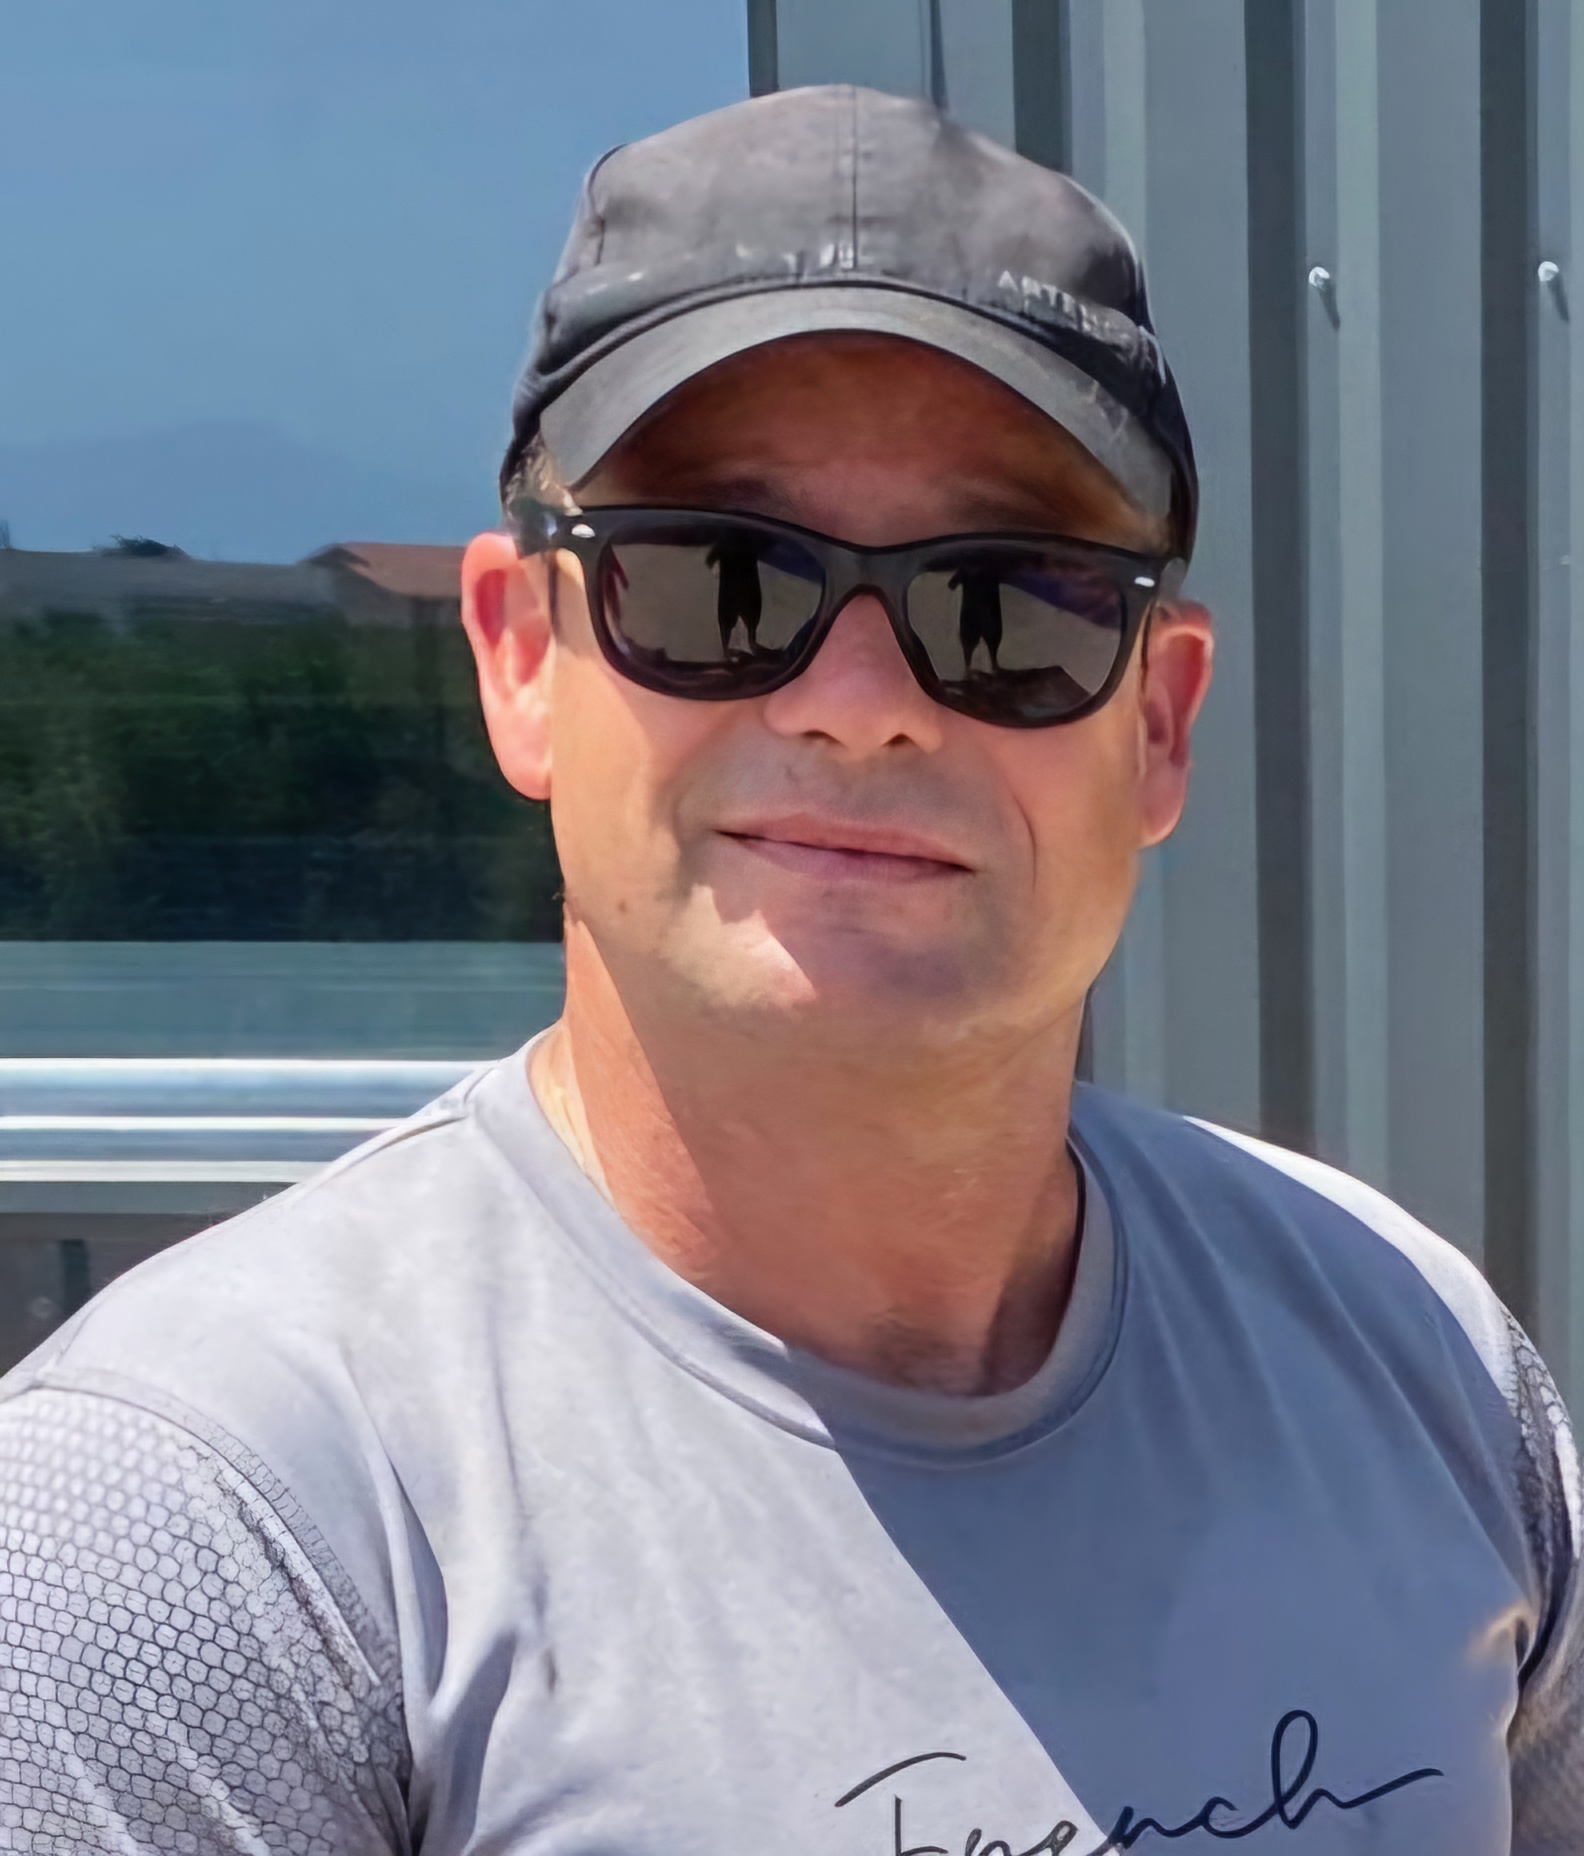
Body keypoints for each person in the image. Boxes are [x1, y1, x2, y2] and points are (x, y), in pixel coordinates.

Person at [0, 85, 1578, 1856]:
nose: (857, 700)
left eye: (1007, 603)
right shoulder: (199, 1524)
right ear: (521, 659)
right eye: (718, 582)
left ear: (1159, 723)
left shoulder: (1421, 1363)